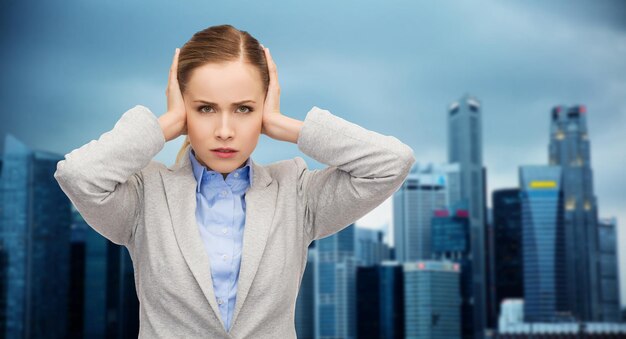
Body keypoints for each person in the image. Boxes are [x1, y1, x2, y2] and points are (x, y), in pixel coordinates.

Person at [54, 24, 416, 339]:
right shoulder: (144, 197)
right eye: (205, 108)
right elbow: (78, 175)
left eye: (244, 109)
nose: (225, 131)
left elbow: (391, 163)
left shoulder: (297, 193)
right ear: (183, 108)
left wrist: (285, 126)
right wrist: (163, 124)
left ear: (263, 107)